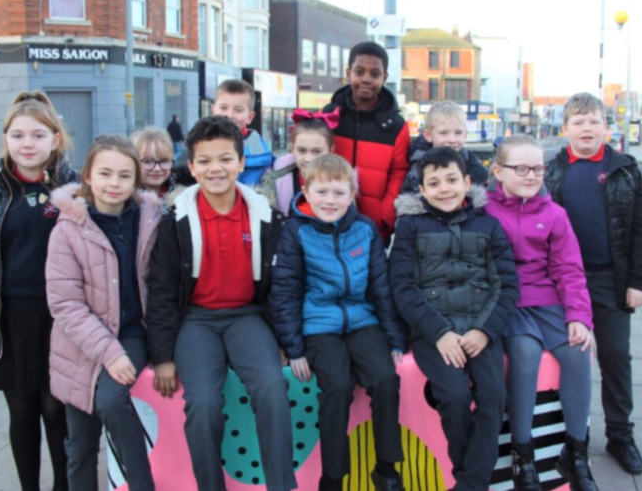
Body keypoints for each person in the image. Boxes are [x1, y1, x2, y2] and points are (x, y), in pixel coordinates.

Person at [146, 116, 297, 491]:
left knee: (271, 390)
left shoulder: (265, 217)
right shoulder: (176, 220)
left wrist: (282, 340)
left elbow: (280, 287)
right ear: (193, 167)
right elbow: (162, 291)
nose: (216, 168)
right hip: (196, 321)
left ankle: (282, 485)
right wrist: (162, 355)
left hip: (247, 317)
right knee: (202, 404)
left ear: (242, 163)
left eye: (226, 159)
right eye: (206, 160)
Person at [0, 91, 76, 491]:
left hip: (60, 321)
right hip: (7, 323)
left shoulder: (76, 190)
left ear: (55, 139)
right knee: (21, 413)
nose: (28, 144)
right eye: (18, 135)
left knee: (57, 413)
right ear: (5, 139)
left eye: (38, 135)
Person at [269, 154, 408, 491]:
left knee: (385, 379)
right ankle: (333, 476)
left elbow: (380, 287)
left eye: (338, 193)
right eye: (322, 192)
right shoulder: (295, 231)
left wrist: (394, 339)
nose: (330, 201)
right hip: (318, 325)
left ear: (351, 195)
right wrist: (294, 348)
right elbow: (285, 291)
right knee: (337, 386)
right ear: (306, 191)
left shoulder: (365, 229)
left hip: (362, 320)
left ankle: (386, 468)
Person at [389, 147, 518, 491]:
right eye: (434, 183)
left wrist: (485, 330)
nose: (444, 189)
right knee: (456, 396)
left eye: (451, 180)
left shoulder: (488, 225)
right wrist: (439, 333)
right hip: (434, 331)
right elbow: (402, 287)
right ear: (422, 190)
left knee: (493, 396)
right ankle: (474, 482)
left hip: (480, 327)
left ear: (467, 181)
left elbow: (505, 284)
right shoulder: (410, 228)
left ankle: (468, 484)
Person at [545, 93, 642, 476]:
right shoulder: (551, 170)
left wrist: (638, 280)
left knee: (614, 358)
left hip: (610, 279)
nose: (587, 128)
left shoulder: (626, 169)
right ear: (565, 130)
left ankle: (620, 434)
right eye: (578, 122)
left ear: (606, 127)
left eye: (593, 121)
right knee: (567, 361)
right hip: (559, 283)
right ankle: (569, 436)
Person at [46, 135, 160, 491]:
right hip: (79, 346)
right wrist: (107, 353)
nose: (114, 183)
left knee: (112, 400)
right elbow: (66, 304)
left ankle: (143, 484)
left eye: (124, 175)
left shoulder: (150, 221)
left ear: (136, 179)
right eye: (105, 173)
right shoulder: (67, 230)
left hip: (130, 332)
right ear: (88, 176)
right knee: (79, 447)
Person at [485, 135, 598, 491]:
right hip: (507, 300)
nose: (532, 175)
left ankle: (576, 453)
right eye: (521, 168)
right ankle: (523, 454)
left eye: (538, 168)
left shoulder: (554, 214)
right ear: (498, 171)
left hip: (547, 299)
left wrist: (580, 316)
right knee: (524, 351)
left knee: (579, 351)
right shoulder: (483, 211)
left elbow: (569, 270)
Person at [323, 41, 409, 242]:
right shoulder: (329, 116)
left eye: (375, 74)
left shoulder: (396, 126)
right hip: (328, 220)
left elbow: (399, 173)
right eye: (359, 72)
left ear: (384, 78)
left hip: (374, 228)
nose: (366, 79)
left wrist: (384, 216)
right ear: (348, 73)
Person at [260, 108, 338, 215]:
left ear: (331, 151)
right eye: (302, 150)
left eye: (317, 151)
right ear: (292, 149)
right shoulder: (274, 182)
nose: (308, 159)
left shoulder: (343, 183)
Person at [401, 101, 489, 194]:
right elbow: (411, 200)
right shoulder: (419, 167)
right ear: (428, 135)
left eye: (458, 133)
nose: (452, 139)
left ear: (465, 134)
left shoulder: (471, 164)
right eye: (443, 133)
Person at [212, 79, 274, 186]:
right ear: (213, 110)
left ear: (250, 117)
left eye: (238, 110)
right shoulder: (197, 148)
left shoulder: (264, 159)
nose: (229, 115)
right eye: (223, 108)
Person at [132, 126, 176, 200]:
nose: (157, 169)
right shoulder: (125, 203)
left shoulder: (187, 198)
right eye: (147, 161)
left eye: (164, 161)